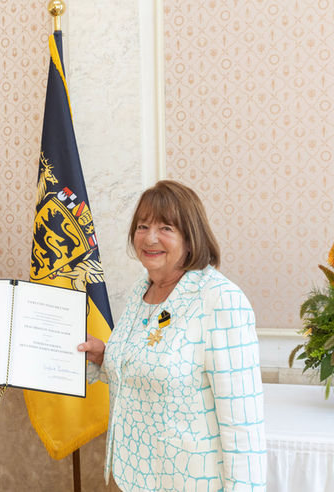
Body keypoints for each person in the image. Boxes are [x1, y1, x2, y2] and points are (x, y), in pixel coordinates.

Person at [78, 180, 266, 491]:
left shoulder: (220, 300)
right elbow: (151, 367)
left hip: (190, 481)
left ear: (191, 238)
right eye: (142, 226)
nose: (150, 238)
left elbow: (242, 422)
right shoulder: (143, 290)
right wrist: (103, 354)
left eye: (166, 227)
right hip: (132, 476)